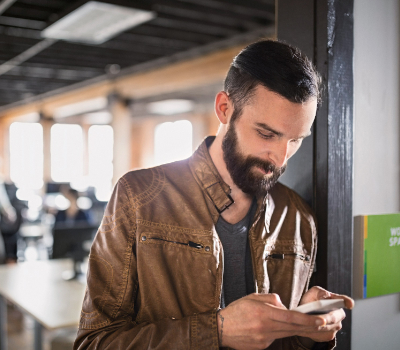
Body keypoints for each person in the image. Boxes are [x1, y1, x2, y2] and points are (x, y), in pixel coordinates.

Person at [74, 40, 354, 350]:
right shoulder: (139, 197)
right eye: (265, 133)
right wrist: (217, 332)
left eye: (295, 140)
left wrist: (306, 330)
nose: (280, 158)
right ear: (224, 108)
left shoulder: (298, 216)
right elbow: (94, 342)